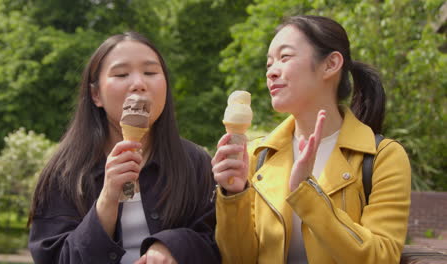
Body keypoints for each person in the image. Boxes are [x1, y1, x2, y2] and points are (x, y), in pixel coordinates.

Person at [212, 15, 411, 264]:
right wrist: (234, 195)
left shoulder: (383, 157)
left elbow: (380, 257)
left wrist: (307, 194)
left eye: (285, 57)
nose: (271, 72)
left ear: (331, 64)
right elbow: (238, 259)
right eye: (269, 63)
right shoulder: (257, 155)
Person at [27, 31, 220, 264]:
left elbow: (217, 244)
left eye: (150, 72)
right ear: (96, 94)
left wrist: (172, 247)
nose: (139, 84)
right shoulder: (65, 172)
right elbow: (54, 258)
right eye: (121, 74)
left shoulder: (195, 162)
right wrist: (108, 198)